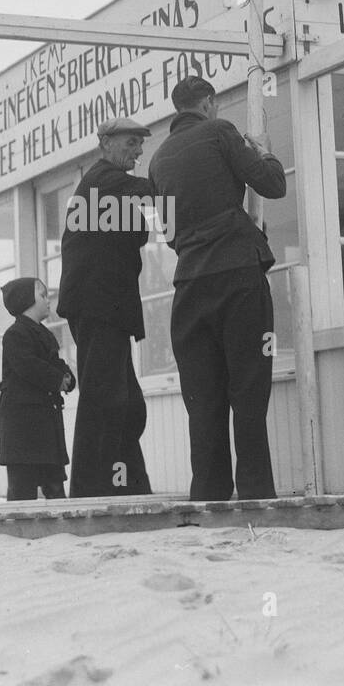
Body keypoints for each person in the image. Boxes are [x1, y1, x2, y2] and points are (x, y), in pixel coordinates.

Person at [147, 77, 287, 501]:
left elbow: (169, 233)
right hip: (238, 274)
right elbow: (272, 185)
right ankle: (255, 493)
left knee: (203, 398)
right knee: (248, 388)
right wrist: (264, 150)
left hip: (189, 284)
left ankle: (208, 493)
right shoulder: (220, 131)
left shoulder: (157, 160)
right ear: (208, 103)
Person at [55, 117, 155, 498]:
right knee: (106, 399)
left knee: (125, 404)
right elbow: (154, 192)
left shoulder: (107, 188)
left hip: (105, 309)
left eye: (140, 144)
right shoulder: (104, 180)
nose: (139, 151)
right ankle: (90, 491)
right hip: (100, 309)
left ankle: (125, 484)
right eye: (132, 143)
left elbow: (136, 229)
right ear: (107, 143)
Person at [0, 277, 76, 501]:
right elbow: (28, 366)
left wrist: (67, 378)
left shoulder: (45, 334)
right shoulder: (15, 335)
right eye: (42, 295)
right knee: (22, 489)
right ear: (26, 300)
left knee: (54, 485)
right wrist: (57, 379)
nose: (48, 299)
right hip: (23, 429)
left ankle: (61, 531)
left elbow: (55, 364)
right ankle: (17, 532)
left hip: (45, 426)